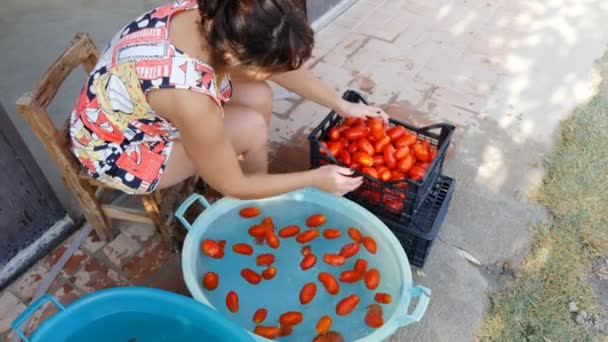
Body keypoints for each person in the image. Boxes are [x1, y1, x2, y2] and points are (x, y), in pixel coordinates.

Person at [69, 0, 388, 200]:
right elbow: (230, 183)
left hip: (128, 109)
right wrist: (314, 180)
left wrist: (342, 105)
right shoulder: (190, 100)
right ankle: (255, 197)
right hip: (120, 151)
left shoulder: (218, 13)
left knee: (259, 93)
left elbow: (280, 66)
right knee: (250, 128)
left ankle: (254, 176)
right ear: (232, 57)